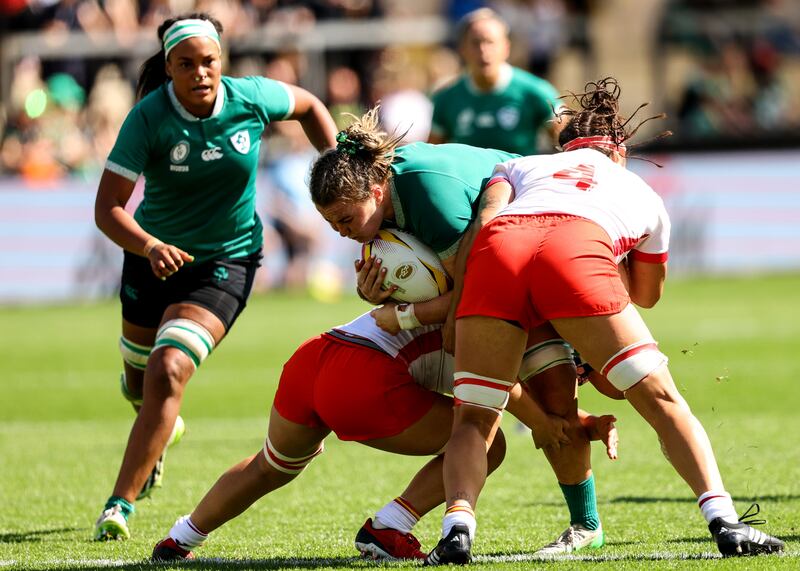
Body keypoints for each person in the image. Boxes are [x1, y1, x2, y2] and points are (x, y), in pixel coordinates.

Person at [425, 78, 785, 564]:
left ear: (564, 146)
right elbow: (645, 295)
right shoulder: (643, 193)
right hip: (577, 251)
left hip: (499, 253)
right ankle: (724, 521)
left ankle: (457, 528)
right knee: (661, 401)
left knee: (474, 416)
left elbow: (487, 225)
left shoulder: (517, 164)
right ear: (619, 151)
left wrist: (467, 305)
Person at [310, 108, 613, 554]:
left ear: (376, 192)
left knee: (548, 385)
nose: (341, 234)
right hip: (511, 254)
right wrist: (382, 296)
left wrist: (407, 316)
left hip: (546, 238)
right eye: (332, 225)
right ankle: (436, 522)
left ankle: (585, 524)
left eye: (346, 220)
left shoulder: (428, 195)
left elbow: (475, 296)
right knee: (489, 387)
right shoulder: (384, 204)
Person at [92, 12, 337, 541]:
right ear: (169, 67)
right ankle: (157, 434)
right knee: (139, 383)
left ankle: (119, 505)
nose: (201, 73)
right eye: (187, 64)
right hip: (152, 260)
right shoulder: (149, 117)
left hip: (226, 262)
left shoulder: (250, 96)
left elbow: (311, 106)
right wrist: (150, 245)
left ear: (221, 61)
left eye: (209, 61)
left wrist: (336, 168)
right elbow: (107, 208)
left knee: (168, 369)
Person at [149, 310, 617, 561]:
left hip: (315, 357)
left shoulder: (500, 305)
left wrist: (570, 422)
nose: (572, 380)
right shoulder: (515, 326)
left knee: (270, 465)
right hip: (365, 376)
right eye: (576, 371)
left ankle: (180, 539)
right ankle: (390, 525)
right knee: (484, 441)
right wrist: (552, 424)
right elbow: (503, 389)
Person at [428, 8, 562, 155]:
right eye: (475, 43)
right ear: (462, 49)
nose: (483, 50)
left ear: (506, 47)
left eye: (490, 42)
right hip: (469, 178)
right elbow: (431, 156)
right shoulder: (445, 99)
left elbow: (569, 144)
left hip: (518, 178)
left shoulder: (537, 92)